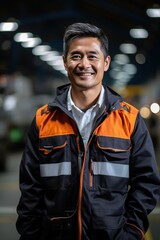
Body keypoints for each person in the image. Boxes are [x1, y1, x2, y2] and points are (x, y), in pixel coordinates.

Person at [16, 22, 160, 240]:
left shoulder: (129, 119)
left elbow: (146, 182)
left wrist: (132, 231)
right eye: (76, 56)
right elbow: (30, 187)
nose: (84, 64)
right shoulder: (43, 120)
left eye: (92, 56)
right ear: (65, 62)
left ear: (106, 62)